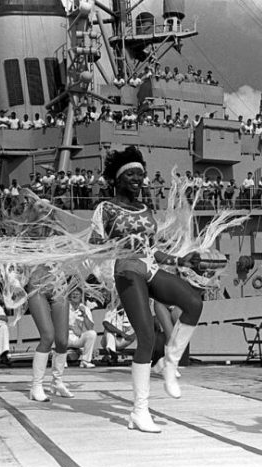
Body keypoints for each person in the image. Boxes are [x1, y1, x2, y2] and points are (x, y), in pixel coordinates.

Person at [90, 146, 203, 433]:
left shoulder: (145, 209)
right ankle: (139, 411)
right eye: (131, 174)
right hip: (127, 270)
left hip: (149, 267)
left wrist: (180, 260)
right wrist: (113, 248)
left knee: (193, 302)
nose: (138, 179)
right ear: (117, 179)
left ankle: (169, 361)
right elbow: (94, 246)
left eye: (141, 174)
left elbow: (153, 251)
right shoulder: (105, 209)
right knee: (145, 335)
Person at [67, 289, 98, 368]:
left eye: (77, 294)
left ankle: (85, 361)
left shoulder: (85, 308)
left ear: (81, 296)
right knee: (59, 333)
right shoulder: (65, 307)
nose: (75, 295)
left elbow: (90, 327)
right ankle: (61, 361)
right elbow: (58, 323)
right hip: (66, 336)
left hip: (78, 338)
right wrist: (72, 327)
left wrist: (84, 315)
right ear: (70, 296)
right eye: (73, 294)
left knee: (92, 333)